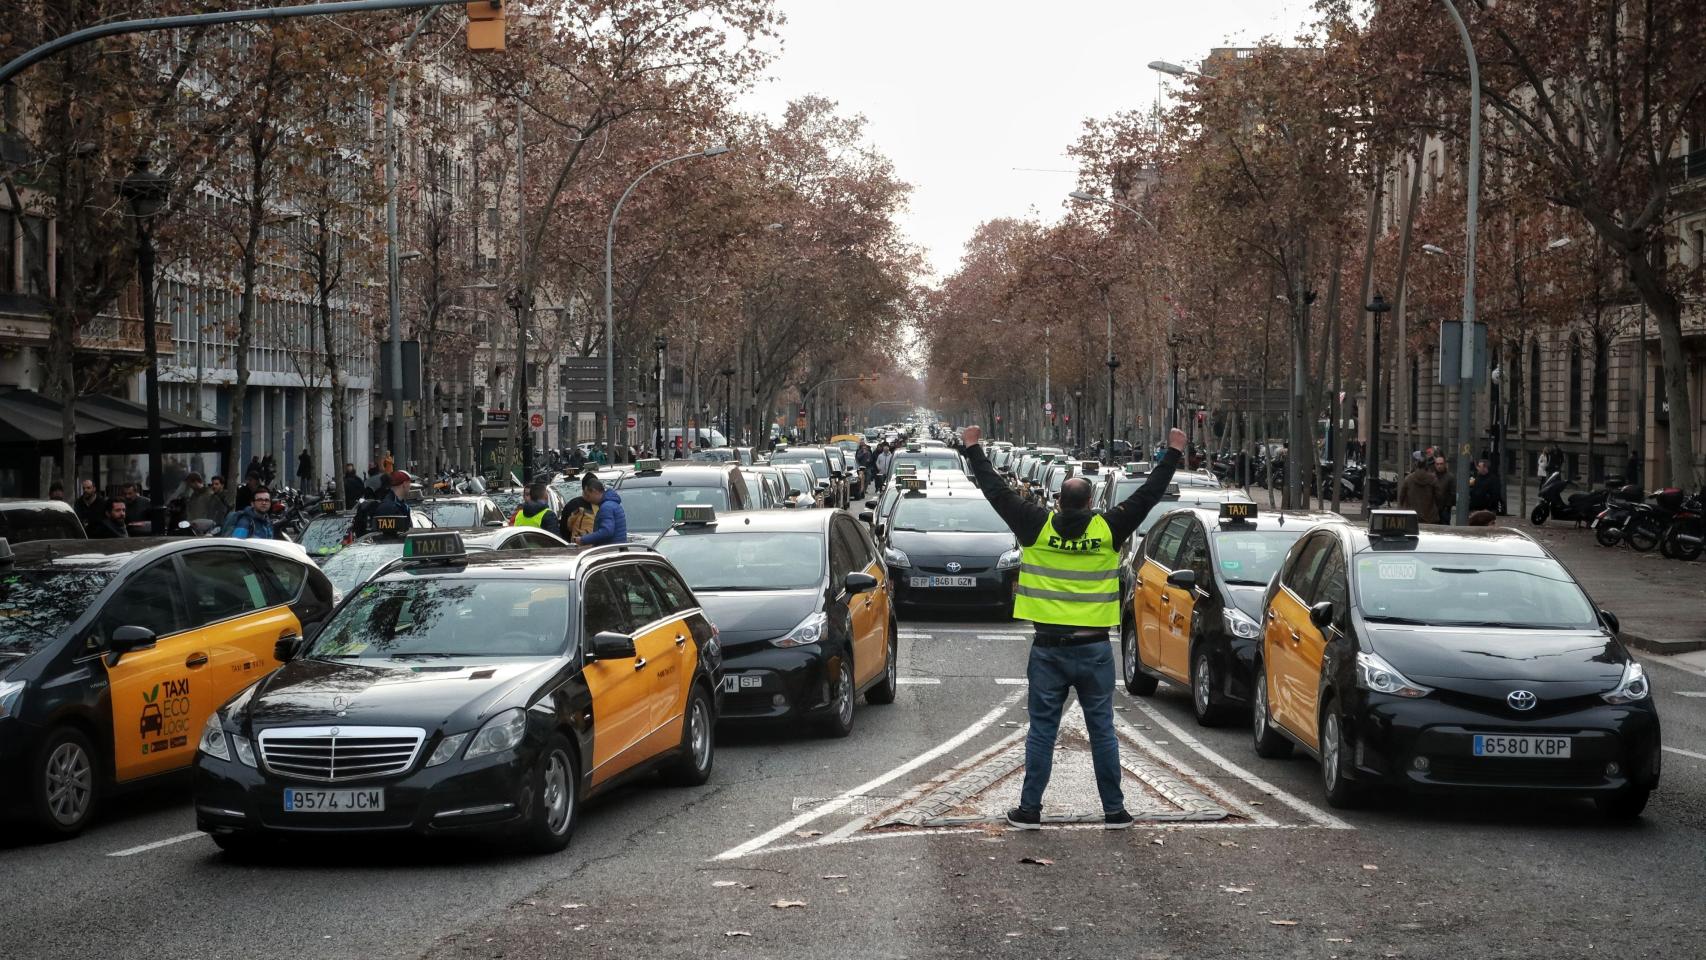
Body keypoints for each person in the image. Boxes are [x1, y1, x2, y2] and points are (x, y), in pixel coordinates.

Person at [962, 422, 1186, 832]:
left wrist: (974, 449)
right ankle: (1114, 811)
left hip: (1048, 650)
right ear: (1089, 504)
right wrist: (1172, 453)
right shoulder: (1108, 529)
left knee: (1042, 732)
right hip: (1095, 650)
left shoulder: (1035, 526)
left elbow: (996, 492)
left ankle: (1030, 810)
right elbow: (1148, 494)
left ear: (1059, 502)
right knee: (1103, 731)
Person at [574, 474, 626, 545]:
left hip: (609, 550)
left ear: (594, 491)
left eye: (588, 495)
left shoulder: (606, 507)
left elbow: (607, 531)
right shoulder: (613, 504)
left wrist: (583, 539)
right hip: (616, 548)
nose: (588, 499)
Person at [1397, 458, 1441, 524]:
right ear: (1426, 466)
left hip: (1412, 515)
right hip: (1429, 516)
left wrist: (1403, 507)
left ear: (1416, 465)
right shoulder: (1432, 479)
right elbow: (1439, 497)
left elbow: (1402, 497)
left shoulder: (1409, 479)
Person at [1433, 455, 1456, 522]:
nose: (1439, 466)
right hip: (1434, 509)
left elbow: (1453, 493)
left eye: (1441, 464)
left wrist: (1448, 506)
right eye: (1437, 464)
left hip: (1445, 510)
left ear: (1445, 464)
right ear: (1435, 465)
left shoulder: (1450, 477)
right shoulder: (1432, 476)